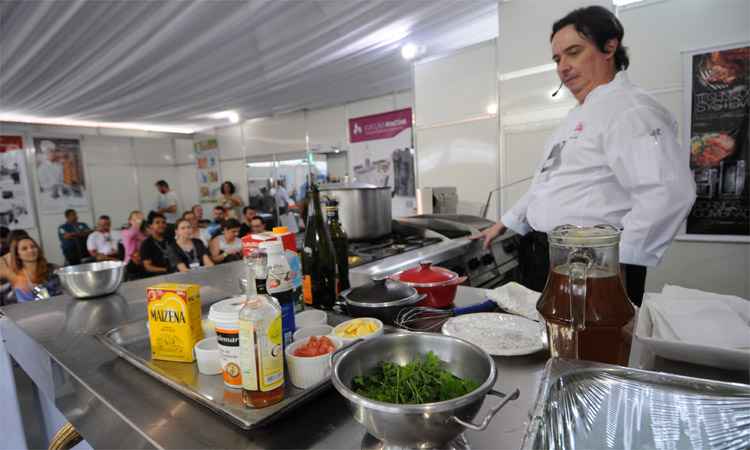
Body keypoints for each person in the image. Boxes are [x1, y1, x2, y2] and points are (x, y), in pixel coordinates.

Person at [473, 6, 695, 307]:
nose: (563, 67)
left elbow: (669, 192)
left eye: (573, 52)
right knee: (548, 343)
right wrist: (506, 222)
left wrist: (615, 263)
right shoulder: (578, 115)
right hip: (547, 256)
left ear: (609, 47)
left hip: (590, 264)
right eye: (557, 58)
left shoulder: (630, 109)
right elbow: (549, 183)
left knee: (586, 351)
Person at [0, 236, 61, 303]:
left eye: (33, 247)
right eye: (24, 249)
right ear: (18, 255)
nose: (30, 250)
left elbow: (57, 296)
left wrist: (36, 289)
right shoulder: (13, 277)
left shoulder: (53, 269)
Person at [121, 210, 147, 279]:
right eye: (135, 219)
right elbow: (133, 233)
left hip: (141, 260)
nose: (138, 221)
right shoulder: (125, 232)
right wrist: (137, 225)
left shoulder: (141, 233)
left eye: (140, 218)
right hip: (131, 262)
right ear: (130, 221)